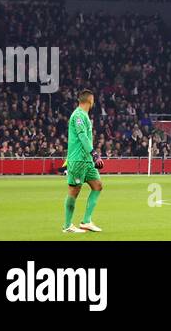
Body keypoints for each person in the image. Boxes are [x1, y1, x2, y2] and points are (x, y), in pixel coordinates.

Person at [62, 89, 103, 234]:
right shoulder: (78, 115)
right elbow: (82, 136)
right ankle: (67, 225)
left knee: (97, 185)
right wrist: (94, 153)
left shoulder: (84, 115)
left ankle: (86, 221)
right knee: (74, 190)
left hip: (86, 160)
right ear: (90, 100)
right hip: (78, 159)